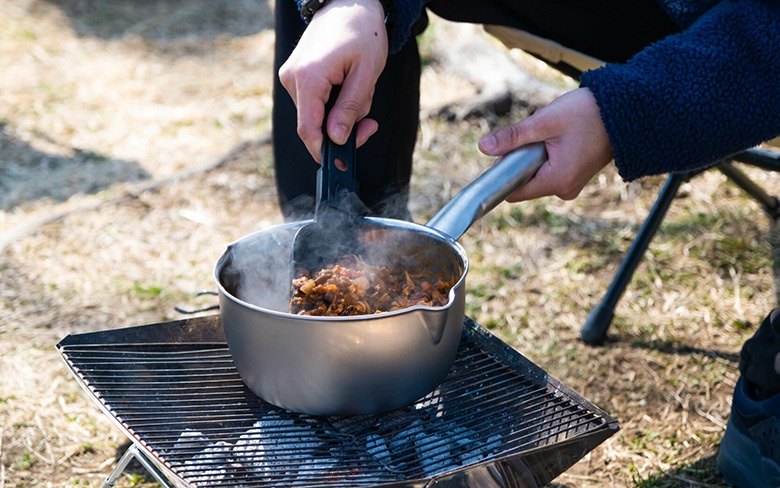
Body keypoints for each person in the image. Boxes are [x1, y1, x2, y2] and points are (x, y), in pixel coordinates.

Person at [272, 0, 780, 486]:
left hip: (741, 44)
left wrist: (624, 112)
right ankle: (342, 271)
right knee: (332, 25)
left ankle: (770, 382)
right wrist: (353, 2)